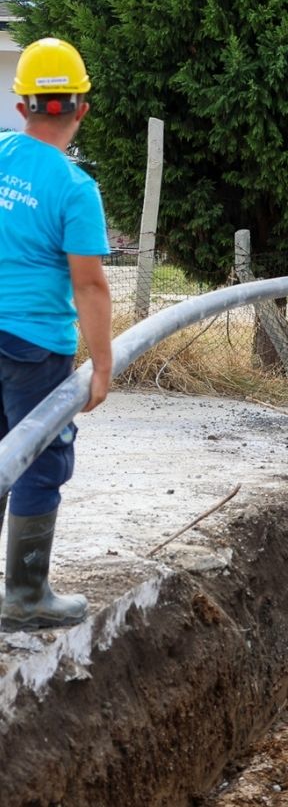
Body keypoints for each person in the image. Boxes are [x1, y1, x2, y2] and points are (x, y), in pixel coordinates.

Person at [0, 37, 112, 631]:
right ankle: (24, 596)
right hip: (35, 348)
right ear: (81, 108)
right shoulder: (74, 188)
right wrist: (102, 364)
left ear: (23, 107)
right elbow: (90, 285)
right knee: (39, 461)